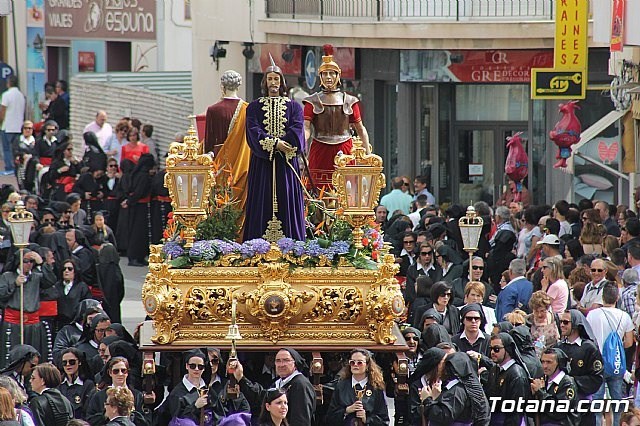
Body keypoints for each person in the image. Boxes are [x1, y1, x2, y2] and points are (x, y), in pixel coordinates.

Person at [243, 57, 306, 242]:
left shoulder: (294, 106)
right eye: (270, 79)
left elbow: (297, 129)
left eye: (276, 79)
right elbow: (253, 131)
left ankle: (292, 245)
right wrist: (274, 143)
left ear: (282, 82)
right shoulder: (254, 107)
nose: (273, 83)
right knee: (262, 201)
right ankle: (257, 246)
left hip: (286, 164)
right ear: (265, 82)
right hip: (263, 163)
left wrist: (284, 144)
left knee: (288, 200)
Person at [303, 45, 370, 190]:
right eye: (325, 74)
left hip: (345, 147)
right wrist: (302, 141)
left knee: (348, 190)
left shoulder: (349, 100)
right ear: (320, 77)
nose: (328, 77)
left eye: (331, 74)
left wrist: (368, 153)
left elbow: (360, 128)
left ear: (338, 76)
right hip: (320, 148)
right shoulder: (312, 101)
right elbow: (306, 127)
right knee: (317, 190)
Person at [205, 70, 251, 232]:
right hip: (243, 162)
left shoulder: (213, 110)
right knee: (241, 199)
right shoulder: (248, 109)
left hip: (221, 163)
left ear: (222, 86)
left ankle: (221, 234)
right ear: (239, 85)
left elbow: (209, 142)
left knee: (221, 199)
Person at [587, 281, 634, 426]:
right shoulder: (624, 316)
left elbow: (588, 339)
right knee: (617, 402)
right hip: (616, 363)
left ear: (602, 296)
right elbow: (629, 342)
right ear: (617, 297)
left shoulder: (592, 315)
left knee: (597, 403)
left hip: (597, 364)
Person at [0, 250, 56, 366]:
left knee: (32, 355)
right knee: (12, 356)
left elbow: (51, 281)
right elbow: (1, 294)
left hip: (32, 323)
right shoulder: (7, 276)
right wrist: (14, 284)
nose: (29, 264)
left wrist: (41, 263)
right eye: (25, 261)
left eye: (31, 261)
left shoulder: (37, 277)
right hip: (13, 321)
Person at [232, 348, 315, 425]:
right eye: (278, 361)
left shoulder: (301, 385)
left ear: (295, 364)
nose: (281, 364)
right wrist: (241, 378)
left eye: (286, 360)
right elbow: (261, 397)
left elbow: (301, 421)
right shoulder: (278, 382)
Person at [324, 349, 389, 425]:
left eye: (359, 363)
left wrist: (367, 419)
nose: (355, 365)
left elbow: (384, 421)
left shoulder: (376, 388)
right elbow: (329, 418)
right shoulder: (341, 386)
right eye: (352, 362)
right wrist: (346, 410)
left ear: (367, 365)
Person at [529, 348, 579, 425]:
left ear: (559, 363)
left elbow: (558, 412)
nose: (544, 366)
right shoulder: (543, 380)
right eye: (542, 362)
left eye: (549, 362)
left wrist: (540, 392)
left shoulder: (567, 383)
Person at [165, 349, 211, 425]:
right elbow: (177, 420)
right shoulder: (177, 393)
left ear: (204, 369)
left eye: (200, 367)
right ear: (187, 366)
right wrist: (195, 406)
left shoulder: (208, 389)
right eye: (192, 366)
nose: (196, 369)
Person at [57, 348, 96, 419]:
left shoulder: (88, 385)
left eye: (72, 362)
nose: (68, 365)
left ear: (79, 362)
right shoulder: (58, 385)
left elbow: (88, 411)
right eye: (64, 363)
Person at [55, 259, 92, 330]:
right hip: (60, 324)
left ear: (75, 272)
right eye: (64, 269)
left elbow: (87, 305)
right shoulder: (57, 286)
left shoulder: (82, 286)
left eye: (70, 269)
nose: (66, 271)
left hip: (76, 323)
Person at [0, 76, 25, 175]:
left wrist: (1, 122)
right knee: (17, 148)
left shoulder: (6, 95)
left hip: (7, 126)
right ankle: (17, 166)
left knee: (7, 148)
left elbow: (2, 110)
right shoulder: (21, 95)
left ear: (9, 83)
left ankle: (9, 167)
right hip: (18, 126)